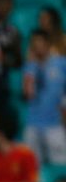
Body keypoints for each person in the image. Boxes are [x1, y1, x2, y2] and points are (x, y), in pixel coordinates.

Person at [22, 30, 66, 165]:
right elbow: (28, 95)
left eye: (40, 42)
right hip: (33, 123)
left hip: (55, 123)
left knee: (61, 164)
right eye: (34, 43)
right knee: (33, 166)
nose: (37, 46)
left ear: (47, 44)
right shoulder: (29, 67)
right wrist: (32, 71)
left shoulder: (61, 63)